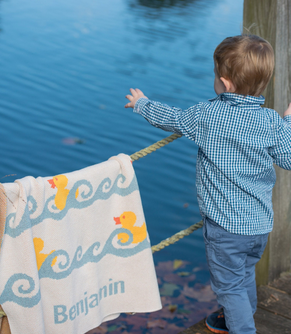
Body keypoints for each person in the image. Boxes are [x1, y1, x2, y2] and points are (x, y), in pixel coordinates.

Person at [124, 34, 291, 334]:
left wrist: (141, 104)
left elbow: (171, 118)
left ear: (225, 84)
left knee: (228, 287)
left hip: (225, 229)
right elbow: (289, 158)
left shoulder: (207, 115)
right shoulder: (271, 122)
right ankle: (238, 318)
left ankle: (243, 328)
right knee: (244, 273)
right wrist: (288, 123)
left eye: (216, 74)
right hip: (259, 226)